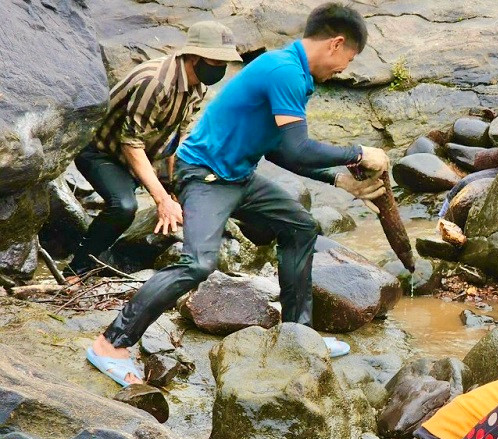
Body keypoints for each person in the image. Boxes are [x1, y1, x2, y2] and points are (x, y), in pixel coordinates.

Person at [86, 3, 391, 386]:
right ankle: (111, 344)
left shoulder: (295, 73)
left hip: (238, 176)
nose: (345, 67)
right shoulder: (284, 71)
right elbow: (298, 148)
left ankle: (298, 336)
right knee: (198, 264)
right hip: (203, 175)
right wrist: (359, 153)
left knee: (300, 227)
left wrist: (338, 180)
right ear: (336, 43)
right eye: (350, 57)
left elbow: (279, 150)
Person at [63, 21, 243, 282]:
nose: (221, 69)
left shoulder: (199, 86)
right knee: (124, 206)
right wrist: (162, 200)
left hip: (148, 153)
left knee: (198, 189)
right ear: (194, 56)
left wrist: (177, 186)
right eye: (216, 62)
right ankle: (76, 270)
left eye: (224, 63)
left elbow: (180, 137)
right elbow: (130, 143)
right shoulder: (155, 82)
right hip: (103, 152)